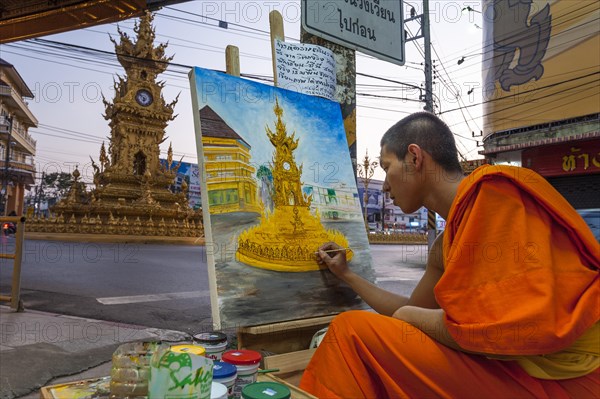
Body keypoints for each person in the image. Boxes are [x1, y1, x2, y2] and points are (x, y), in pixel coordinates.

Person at [299, 112, 599, 398]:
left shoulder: (495, 195)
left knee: (350, 330)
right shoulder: (448, 241)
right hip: (517, 370)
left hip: (566, 379)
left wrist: (411, 316)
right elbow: (409, 313)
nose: (386, 185)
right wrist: (347, 275)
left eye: (386, 166)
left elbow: (508, 335)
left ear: (415, 158)